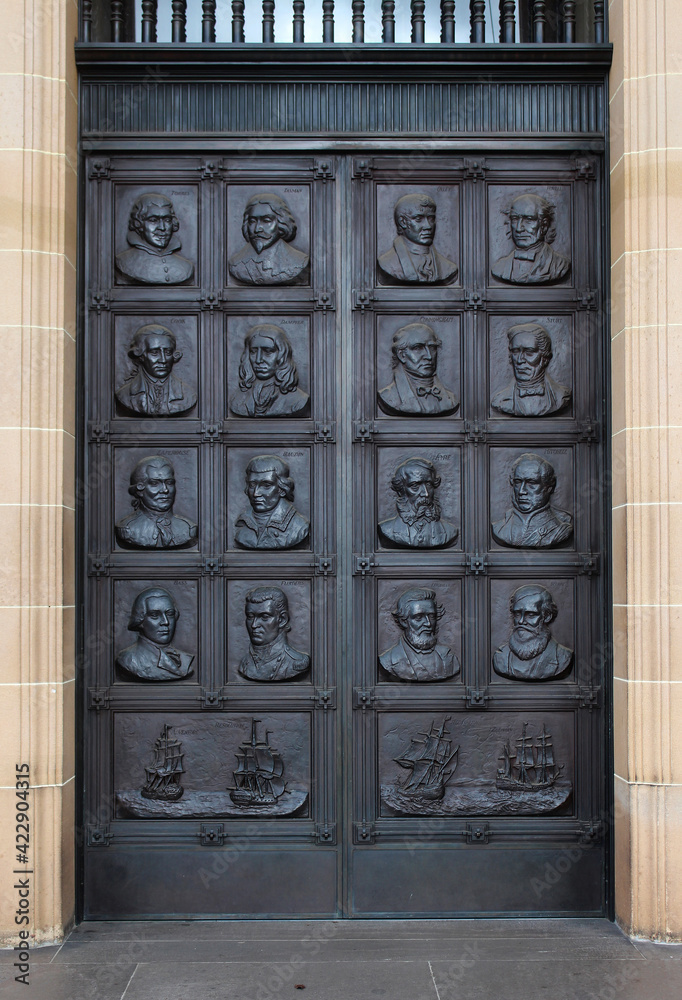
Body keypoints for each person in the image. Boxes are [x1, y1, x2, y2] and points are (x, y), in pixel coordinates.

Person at [493, 585, 573, 681]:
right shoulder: (500, 657)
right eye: (517, 614)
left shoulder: (562, 657)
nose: (521, 621)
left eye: (531, 615)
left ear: (547, 616)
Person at [492, 453, 573, 548]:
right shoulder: (499, 528)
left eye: (532, 483)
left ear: (549, 487)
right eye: (518, 482)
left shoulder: (560, 530)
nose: (521, 491)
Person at [115, 456, 198, 549]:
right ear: (139, 490)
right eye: (154, 483)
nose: (165, 490)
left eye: (169, 482)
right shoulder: (127, 529)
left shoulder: (188, 528)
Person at [491, 322, 571, 417]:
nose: (520, 360)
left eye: (529, 352)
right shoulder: (500, 400)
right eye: (515, 351)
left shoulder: (561, 396)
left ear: (545, 358)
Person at [115, 323, 197, 416]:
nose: (163, 360)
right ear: (141, 356)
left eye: (168, 352)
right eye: (154, 353)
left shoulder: (188, 394)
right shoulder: (124, 394)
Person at [378, 323, 458, 416]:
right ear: (401, 355)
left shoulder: (451, 399)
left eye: (432, 348)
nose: (429, 356)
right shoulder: (388, 396)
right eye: (418, 348)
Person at [379, 588, 459, 682]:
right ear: (403, 621)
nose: (428, 623)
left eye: (432, 616)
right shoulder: (388, 660)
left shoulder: (449, 657)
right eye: (418, 617)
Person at [377, 193, 458, 285]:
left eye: (431, 219)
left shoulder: (448, 268)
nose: (428, 226)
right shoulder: (387, 263)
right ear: (403, 222)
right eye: (419, 219)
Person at [229, 324, 310, 417]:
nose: (258, 360)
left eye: (268, 351)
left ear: (282, 355)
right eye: (253, 351)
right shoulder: (236, 399)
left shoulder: (298, 400)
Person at [228, 193, 309, 285]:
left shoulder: (299, 262)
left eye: (266, 221)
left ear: (282, 223)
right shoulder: (236, 263)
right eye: (253, 221)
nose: (257, 229)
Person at [116, 587, 194, 681]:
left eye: (170, 614)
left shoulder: (185, 659)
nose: (165, 622)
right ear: (140, 621)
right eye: (154, 615)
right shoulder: (129, 660)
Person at [115, 193, 195, 285]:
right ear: (139, 224)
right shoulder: (124, 262)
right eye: (153, 220)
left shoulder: (186, 267)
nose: (162, 227)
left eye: (167, 220)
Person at [491, 193, 571, 285]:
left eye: (528, 219)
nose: (518, 228)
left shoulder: (559, 265)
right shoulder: (499, 267)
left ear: (544, 225)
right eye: (515, 218)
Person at [379, 457, 458, 548]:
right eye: (415, 486)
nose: (426, 493)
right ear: (401, 490)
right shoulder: (387, 529)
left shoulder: (450, 531)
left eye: (429, 485)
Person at [234, 455, 310, 550]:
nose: (256, 493)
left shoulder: (299, 527)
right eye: (252, 485)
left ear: (282, 489)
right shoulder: (242, 522)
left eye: (266, 485)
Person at [238, 587, 310, 681]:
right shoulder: (244, 664)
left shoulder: (296, 663)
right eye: (250, 617)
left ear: (282, 620)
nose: (254, 625)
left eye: (264, 617)